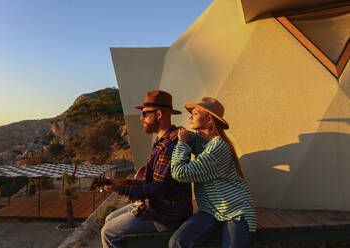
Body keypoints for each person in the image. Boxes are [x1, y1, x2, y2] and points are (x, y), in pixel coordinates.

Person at [101, 90, 193, 248]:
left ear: (158, 114)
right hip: (159, 204)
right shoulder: (161, 140)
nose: (141, 117)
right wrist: (121, 184)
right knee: (109, 219)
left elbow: (159, 188)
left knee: (108, 232)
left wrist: (120, 189)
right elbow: (151, 182)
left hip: (168, 213)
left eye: (145, 114)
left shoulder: (170, 145)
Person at [169, 97, 256, 248]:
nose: (190, 116)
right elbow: (188, 135)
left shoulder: (218, 147)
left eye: (195, 113)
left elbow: (180, 173)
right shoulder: (202, 142)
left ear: (209, 119)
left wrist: (182, 143)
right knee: (177, 242)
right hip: (210, 211)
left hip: (236, 211)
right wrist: (179, 133)